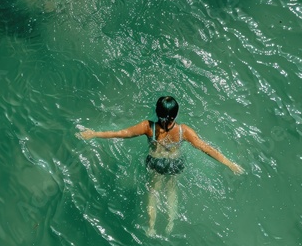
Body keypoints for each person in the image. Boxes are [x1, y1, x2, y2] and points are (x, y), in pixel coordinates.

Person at [77, 96, 244, 237]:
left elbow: (122, 134)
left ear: (157, 112)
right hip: (175, 163)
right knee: (172, 190)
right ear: (175, 114)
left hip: (156, 162)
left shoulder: (148, 127)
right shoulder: (183, 131)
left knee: (153, 191)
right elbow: (205, 148)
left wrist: (94, 134)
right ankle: (170, 222)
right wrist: (229, 163)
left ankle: (151, 226)